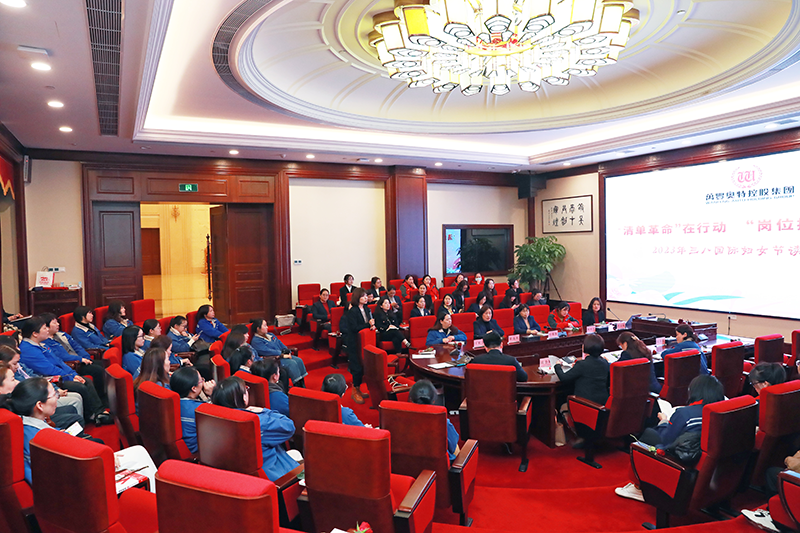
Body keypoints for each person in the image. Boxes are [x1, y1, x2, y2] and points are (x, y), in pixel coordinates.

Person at [615, 375, 725, 502]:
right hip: (709, 468)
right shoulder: (722, 414)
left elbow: (666, 440)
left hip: (682, 463)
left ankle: (639, 487)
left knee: (649, 434)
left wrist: (664, 422)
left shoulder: (684, 413)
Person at [19, 317, 110, 425]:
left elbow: (59, 362)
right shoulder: (28, 349)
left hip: (60, 375)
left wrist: (73, 375)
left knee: (85, 380)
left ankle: (98, 412)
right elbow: (49, 369)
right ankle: (92, 415)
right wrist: (70, 377)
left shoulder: (41, 344)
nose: (47, 330)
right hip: (49, 379)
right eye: (44, 328)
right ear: (35, 333)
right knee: (80, 386)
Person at [211, 376, 301, 481]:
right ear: (243, 398)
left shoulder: (211, 420)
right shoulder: (256, 421)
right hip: (274, 477)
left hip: (234, 478)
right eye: (246, 389)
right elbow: (289, 427)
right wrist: (264, 411)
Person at [0, 344, 85, 421]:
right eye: (15, 363)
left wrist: (56, 389)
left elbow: (36, 377)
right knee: (75, 401)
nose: (17, 366)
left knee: (76, 397)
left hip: (43, 394)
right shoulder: (7, 376)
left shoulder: (18, 367)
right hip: (38, 401)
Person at [41, 312, 106, 398]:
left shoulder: (62, 334)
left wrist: (85, 357)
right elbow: (61, 356)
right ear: (46, 326)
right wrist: (80, 359)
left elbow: (77, 346)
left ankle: (107, 395)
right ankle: (102, 397)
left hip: (80, 360)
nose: (58, 324)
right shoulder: (45, 342)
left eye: (57, 322)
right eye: (54, 323)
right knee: (97, 370)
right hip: (72, 364)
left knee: (103, 364)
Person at [409, 379, 459, 461]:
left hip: (408, 465)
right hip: (441, 467)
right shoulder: (443, 422)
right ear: (433, 401)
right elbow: (453, 447)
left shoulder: (399, 420)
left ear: (410, 399)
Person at [555, 333, 610, 406]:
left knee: (562, 405)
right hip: (602, 404)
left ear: (584, 347)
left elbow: (564, 378)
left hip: (585, 405)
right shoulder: (605, 362)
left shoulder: (582, 364)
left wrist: (557, 365)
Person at [250, 318, 307, 387]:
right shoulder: (256, 341)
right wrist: (281, 354)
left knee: (299, 360)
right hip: (274, 359)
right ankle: (297, 385)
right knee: (292, 363)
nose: (267, 327)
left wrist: (286, 351)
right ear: (258, 329)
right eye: (264, 326)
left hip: (282, 355)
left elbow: (280, 343)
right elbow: (267, 351)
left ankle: (302, 383)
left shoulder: (271, 335)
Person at [170, 366, 214, 454]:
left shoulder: (170, 402)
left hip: (175, 448)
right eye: (201, 380)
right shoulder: (199, 409)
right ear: (194, 388)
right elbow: (220, 421)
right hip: (195, 451)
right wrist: (213, 394)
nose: (203, 382)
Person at [340, 288, 373, 404]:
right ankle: (355, 391)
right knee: (357, 367)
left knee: (364, 366)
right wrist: (367, 325)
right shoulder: (352, 311)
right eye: (363, 296)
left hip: (365, 341)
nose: (366, 298)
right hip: (355, 342)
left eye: (366, 296)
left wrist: (372, 326)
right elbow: (354, 328)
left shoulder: (367, 309)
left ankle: (359, 389)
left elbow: (369, 323)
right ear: (357, 297)